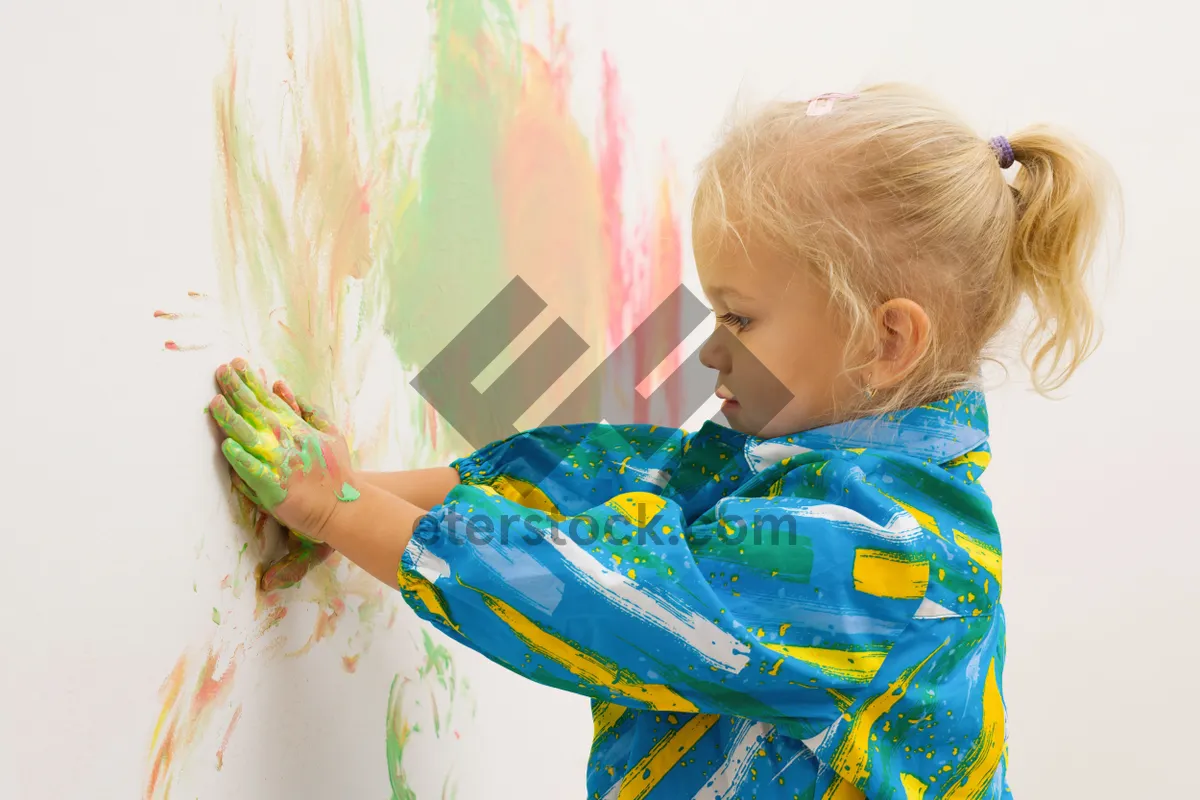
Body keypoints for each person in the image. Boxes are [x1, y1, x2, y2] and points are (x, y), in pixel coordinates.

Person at [206, 83, 1116, 798]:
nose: (712, 348)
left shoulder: (885, 557)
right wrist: (368, 487)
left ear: (886, 342)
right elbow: (604, 480)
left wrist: (340, 510)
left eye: (741, 317)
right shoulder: (795, 470)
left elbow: (602, 594)